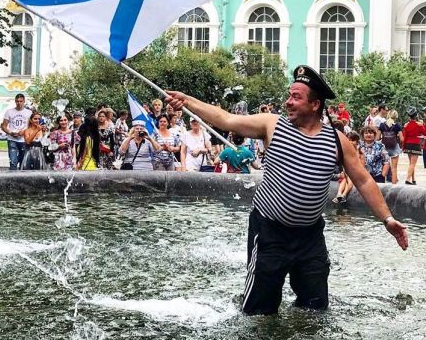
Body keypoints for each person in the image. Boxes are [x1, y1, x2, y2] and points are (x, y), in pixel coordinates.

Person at [165, 64, 408, 316]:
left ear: (315, 105)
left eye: (296, 97)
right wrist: (188, 100)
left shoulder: (337, 140)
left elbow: (364, 181)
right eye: (289, 95)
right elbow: (227, 119)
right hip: (270, 233)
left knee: (315, 311)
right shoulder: (272, 125)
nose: (288, 102)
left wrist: (387, 219)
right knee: (258, 313)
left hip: (310, 239)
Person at [0, 93, 32, 170]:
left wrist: (24, 132)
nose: (19, 103)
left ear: (24, 101)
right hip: (12, 139)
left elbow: (31, 127)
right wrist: (10, 132)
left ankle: (21, 178)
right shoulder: (9, 112)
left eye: (21, 101)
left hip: (24, 139)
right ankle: (12, 178)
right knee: (13, 161)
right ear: (15, 101)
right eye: (17, 101)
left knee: (23, 162)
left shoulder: (29, 112)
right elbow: (3, 126)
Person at [333, 132, 363, 204]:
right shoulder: (344, 151)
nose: (350, 142)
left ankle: (344, 195)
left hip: (355, 172)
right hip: (347, 172)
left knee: (350, 180)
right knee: (345, 180)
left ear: (357, 142)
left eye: (353, 140)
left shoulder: (359, 152)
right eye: (348, 140)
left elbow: (361, 164)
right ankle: (339, 194)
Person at [379, 110, 402, 184]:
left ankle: (382, 185)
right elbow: (402, 139)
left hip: (384, 148)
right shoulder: (397, 126)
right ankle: (393, 186)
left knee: (383, 168)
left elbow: (377, 137)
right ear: (396, 117)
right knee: (394, 169)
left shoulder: (382, 125)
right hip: (394, 147)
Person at [402, 108, 424, 185]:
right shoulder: (419, 125)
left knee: (411, 163)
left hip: (408, 144)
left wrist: (403, 147)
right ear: (416, 115)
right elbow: (424, 133)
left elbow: (405, 138)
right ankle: (407, 179)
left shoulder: (406, 125)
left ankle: (413, 179)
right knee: (412, 164)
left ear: (409, 116)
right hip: (415, 144)